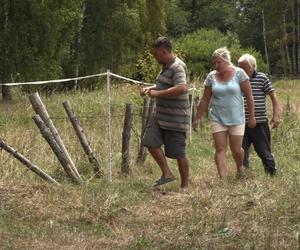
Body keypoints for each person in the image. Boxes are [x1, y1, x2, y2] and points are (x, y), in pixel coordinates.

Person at [193, 47, 256, 178]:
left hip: (237, 117)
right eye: (214, 63)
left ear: (226, 61)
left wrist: (252, 117)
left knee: (236, 149)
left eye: (218, 62)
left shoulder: (240, 74)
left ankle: (240, 167)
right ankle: (223, 178)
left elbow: (249, 97)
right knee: (220, 149)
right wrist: (197, 117)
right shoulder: (211, 77)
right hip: (217, 117)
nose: (216, 66)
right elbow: (205, 99)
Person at [140, 36, 190, 188]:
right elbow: (165, 85)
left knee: (178, 153)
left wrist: (157, 94)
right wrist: (151, 88)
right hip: (160, 115)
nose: (155, 57)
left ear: (163, 51)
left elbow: (182, 87)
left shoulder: (177, 66)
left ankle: (185, 186)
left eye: (156, 54)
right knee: (149, 141)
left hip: (176, 118)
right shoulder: (166, 66)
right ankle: (167, 173)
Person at [238, 54, 281, 176]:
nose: (241, 70)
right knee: (241, 150)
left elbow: (273, 96)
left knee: (264, 151)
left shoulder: (262, 78)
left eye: (244, 67)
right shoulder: (237, 78)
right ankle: (243, 175)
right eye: (239, 67)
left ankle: (271, 173)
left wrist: (276, 115)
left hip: (259, 122)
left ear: (253, 66)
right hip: (240, 122)